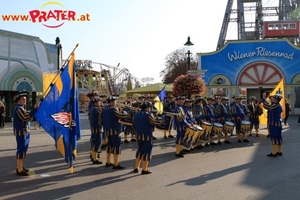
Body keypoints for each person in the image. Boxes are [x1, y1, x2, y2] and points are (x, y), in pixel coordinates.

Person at [13, 93, 40, 176]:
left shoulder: (21, 108)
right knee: (21, 150)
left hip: (24, 132)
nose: (25, 100)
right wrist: (34, 109)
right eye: (22, 99)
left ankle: (20, 167)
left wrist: (33, 111)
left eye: (25, 99)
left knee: (23, 150)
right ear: (18, 100)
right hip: (21, 132)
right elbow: (26, 117)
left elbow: (28, 117)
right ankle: (19, 169)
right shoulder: (19, 109)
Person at [132, 101, 162, 174]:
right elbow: (156, 122)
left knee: (140, 150)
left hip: (139, 135)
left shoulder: (136, 114)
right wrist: (160, 117)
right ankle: (144, 169)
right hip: (147, 135)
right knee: (147, 151)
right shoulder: (149, 115)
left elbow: (133, 125)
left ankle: (136, 167)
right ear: (148, 107)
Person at [101, 96, 129, 169]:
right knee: (116, 147)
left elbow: (100, 120)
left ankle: (108, 162)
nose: (116, 102)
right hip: (114, 131)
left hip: (107, 130)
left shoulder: (104, 109)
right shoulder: (114, 109)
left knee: (109, 146)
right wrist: (124, 111)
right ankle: (116, 164)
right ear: (112, 102)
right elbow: (122, 116)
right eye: (115, 101)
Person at [89, 97, 103, 164]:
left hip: (93, 128)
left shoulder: (92, 109)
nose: (100, 103)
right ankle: (95, 159)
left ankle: (93, 156)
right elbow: (102, 115)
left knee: (94, 142)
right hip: (97, 128)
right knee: (97, 143)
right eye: (99, 102)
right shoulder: (97, 109)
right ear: (96, 103)